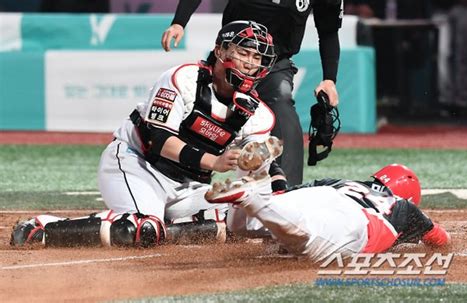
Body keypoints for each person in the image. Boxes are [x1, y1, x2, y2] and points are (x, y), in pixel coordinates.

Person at [10, 20, 285, 248]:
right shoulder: (184, 79)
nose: (250, 63)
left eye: (257, 57)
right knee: (141, 229)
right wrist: (214, 162)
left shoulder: (259, 114)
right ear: (221, 50)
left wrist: (269, 179)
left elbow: (263, 166)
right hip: (138, 164)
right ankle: (45, 228)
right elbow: (159, 141)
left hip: (189, 184)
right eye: (243, 52)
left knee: (243, 223)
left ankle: (166, 230)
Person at [161, 0, 344, 186]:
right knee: (202, 110)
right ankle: (175, 174)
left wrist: (329, 79)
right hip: (232, 57)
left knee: (281, 107)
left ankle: (285, 191)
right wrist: (179, 22)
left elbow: (328, 31)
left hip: (274, 65)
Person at [205, 163, 450, 261]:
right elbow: (440, 240)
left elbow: (288, 194)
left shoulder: (341, 181)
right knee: (304, 239)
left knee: (246, 227)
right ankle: (250, 196)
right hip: (357, 222)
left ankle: (250, 185)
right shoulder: (403, 206)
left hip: (325, 194)